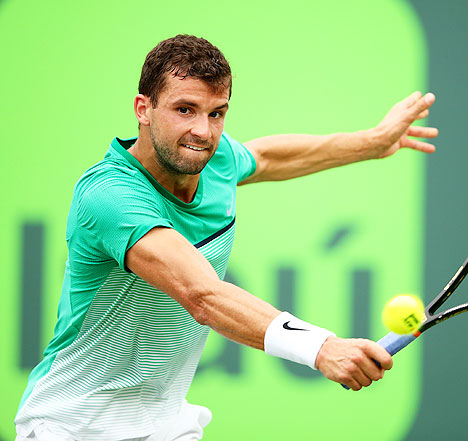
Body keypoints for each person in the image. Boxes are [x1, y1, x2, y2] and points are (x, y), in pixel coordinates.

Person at [14, 34, 438, 440]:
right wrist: (321, 347)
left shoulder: (211, 161)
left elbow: (267, 156)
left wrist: (373, 141)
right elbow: (203, 296)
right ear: (143, 108)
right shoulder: (110, 196)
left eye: (216, 113)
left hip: (165, 420)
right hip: (74, 425)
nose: (204, 131)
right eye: (185, 109)